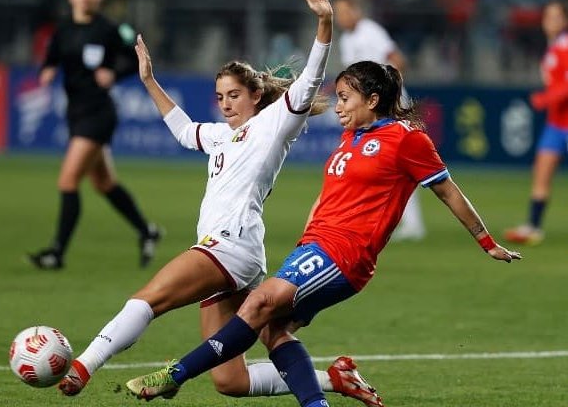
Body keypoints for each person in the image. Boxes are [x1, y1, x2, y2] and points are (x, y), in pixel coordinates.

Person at [124, 60, 522, 407]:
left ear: (372, 100)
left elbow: (447, 189)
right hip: (315, 247)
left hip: (346, 253)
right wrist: (306, 235)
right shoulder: (351, 139)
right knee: (272, 329)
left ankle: (176, 374)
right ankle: (325, 394)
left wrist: (486, 242)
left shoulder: (406, 138)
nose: (339, 106)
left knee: (259, 303)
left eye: (346, 97)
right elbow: (328, 197)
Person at [57, 0, 381, 404]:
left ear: (255, 96)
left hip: (230, 245)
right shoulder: (218, 135)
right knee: (231, 381)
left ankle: (83, 365)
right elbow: (182, 129)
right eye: (221, 96)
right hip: (236, 256)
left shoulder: (273, 123)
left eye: (234, 95)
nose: (226, 104)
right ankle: (335, 379)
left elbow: (313, 77)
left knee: (148, 299)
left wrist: (324, 23)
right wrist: (148, 81)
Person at [28, 0, 162, 269]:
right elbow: (52, 57)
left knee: (68, 181)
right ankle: (147, 230)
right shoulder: (63, 29)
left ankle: (57, 253)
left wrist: (115, 73)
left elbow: (134, 58)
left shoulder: (110, 29)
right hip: (75, 113)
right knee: (103, 183)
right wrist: (48, 70)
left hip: (98, 114)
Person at [332, 0, 425, 242]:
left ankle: (412, 223)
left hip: (387, 105)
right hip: (368, 107)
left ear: (356, 10)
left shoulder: (369, 31)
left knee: (400, 161)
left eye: (344, 11)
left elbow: (397, 61)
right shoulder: (347, 40)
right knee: (371, 160)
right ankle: (373, 219)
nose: (341, 18)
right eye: (337, 13)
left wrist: (386, 96)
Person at [504, 0, 568, 246]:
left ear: (564, 20)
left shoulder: (564, 47)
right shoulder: (553, 47)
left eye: (555, 17)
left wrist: (545, 98)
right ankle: (533, 227)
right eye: (547, 17)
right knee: (541, 172)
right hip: (556, 124)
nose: (549, 22)